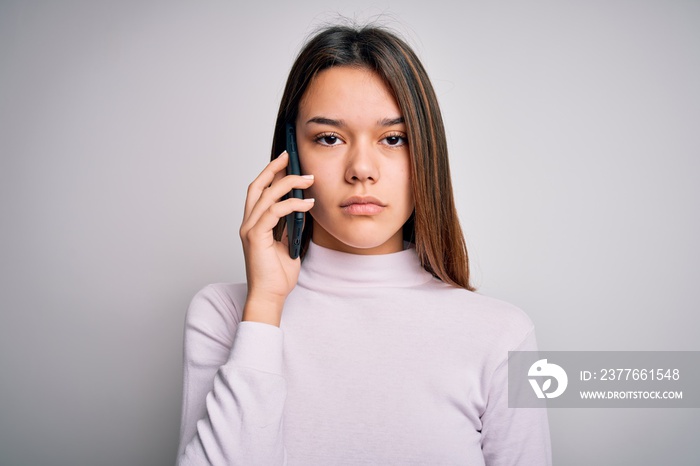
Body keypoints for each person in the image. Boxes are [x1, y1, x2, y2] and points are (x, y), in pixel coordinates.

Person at [177, 23, 551, 465]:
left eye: (393, 139)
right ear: (290, 155)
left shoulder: (503, 335)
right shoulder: (224, 315)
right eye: (329, 138)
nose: (361, 170)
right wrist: (264, 307)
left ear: (425, 155)